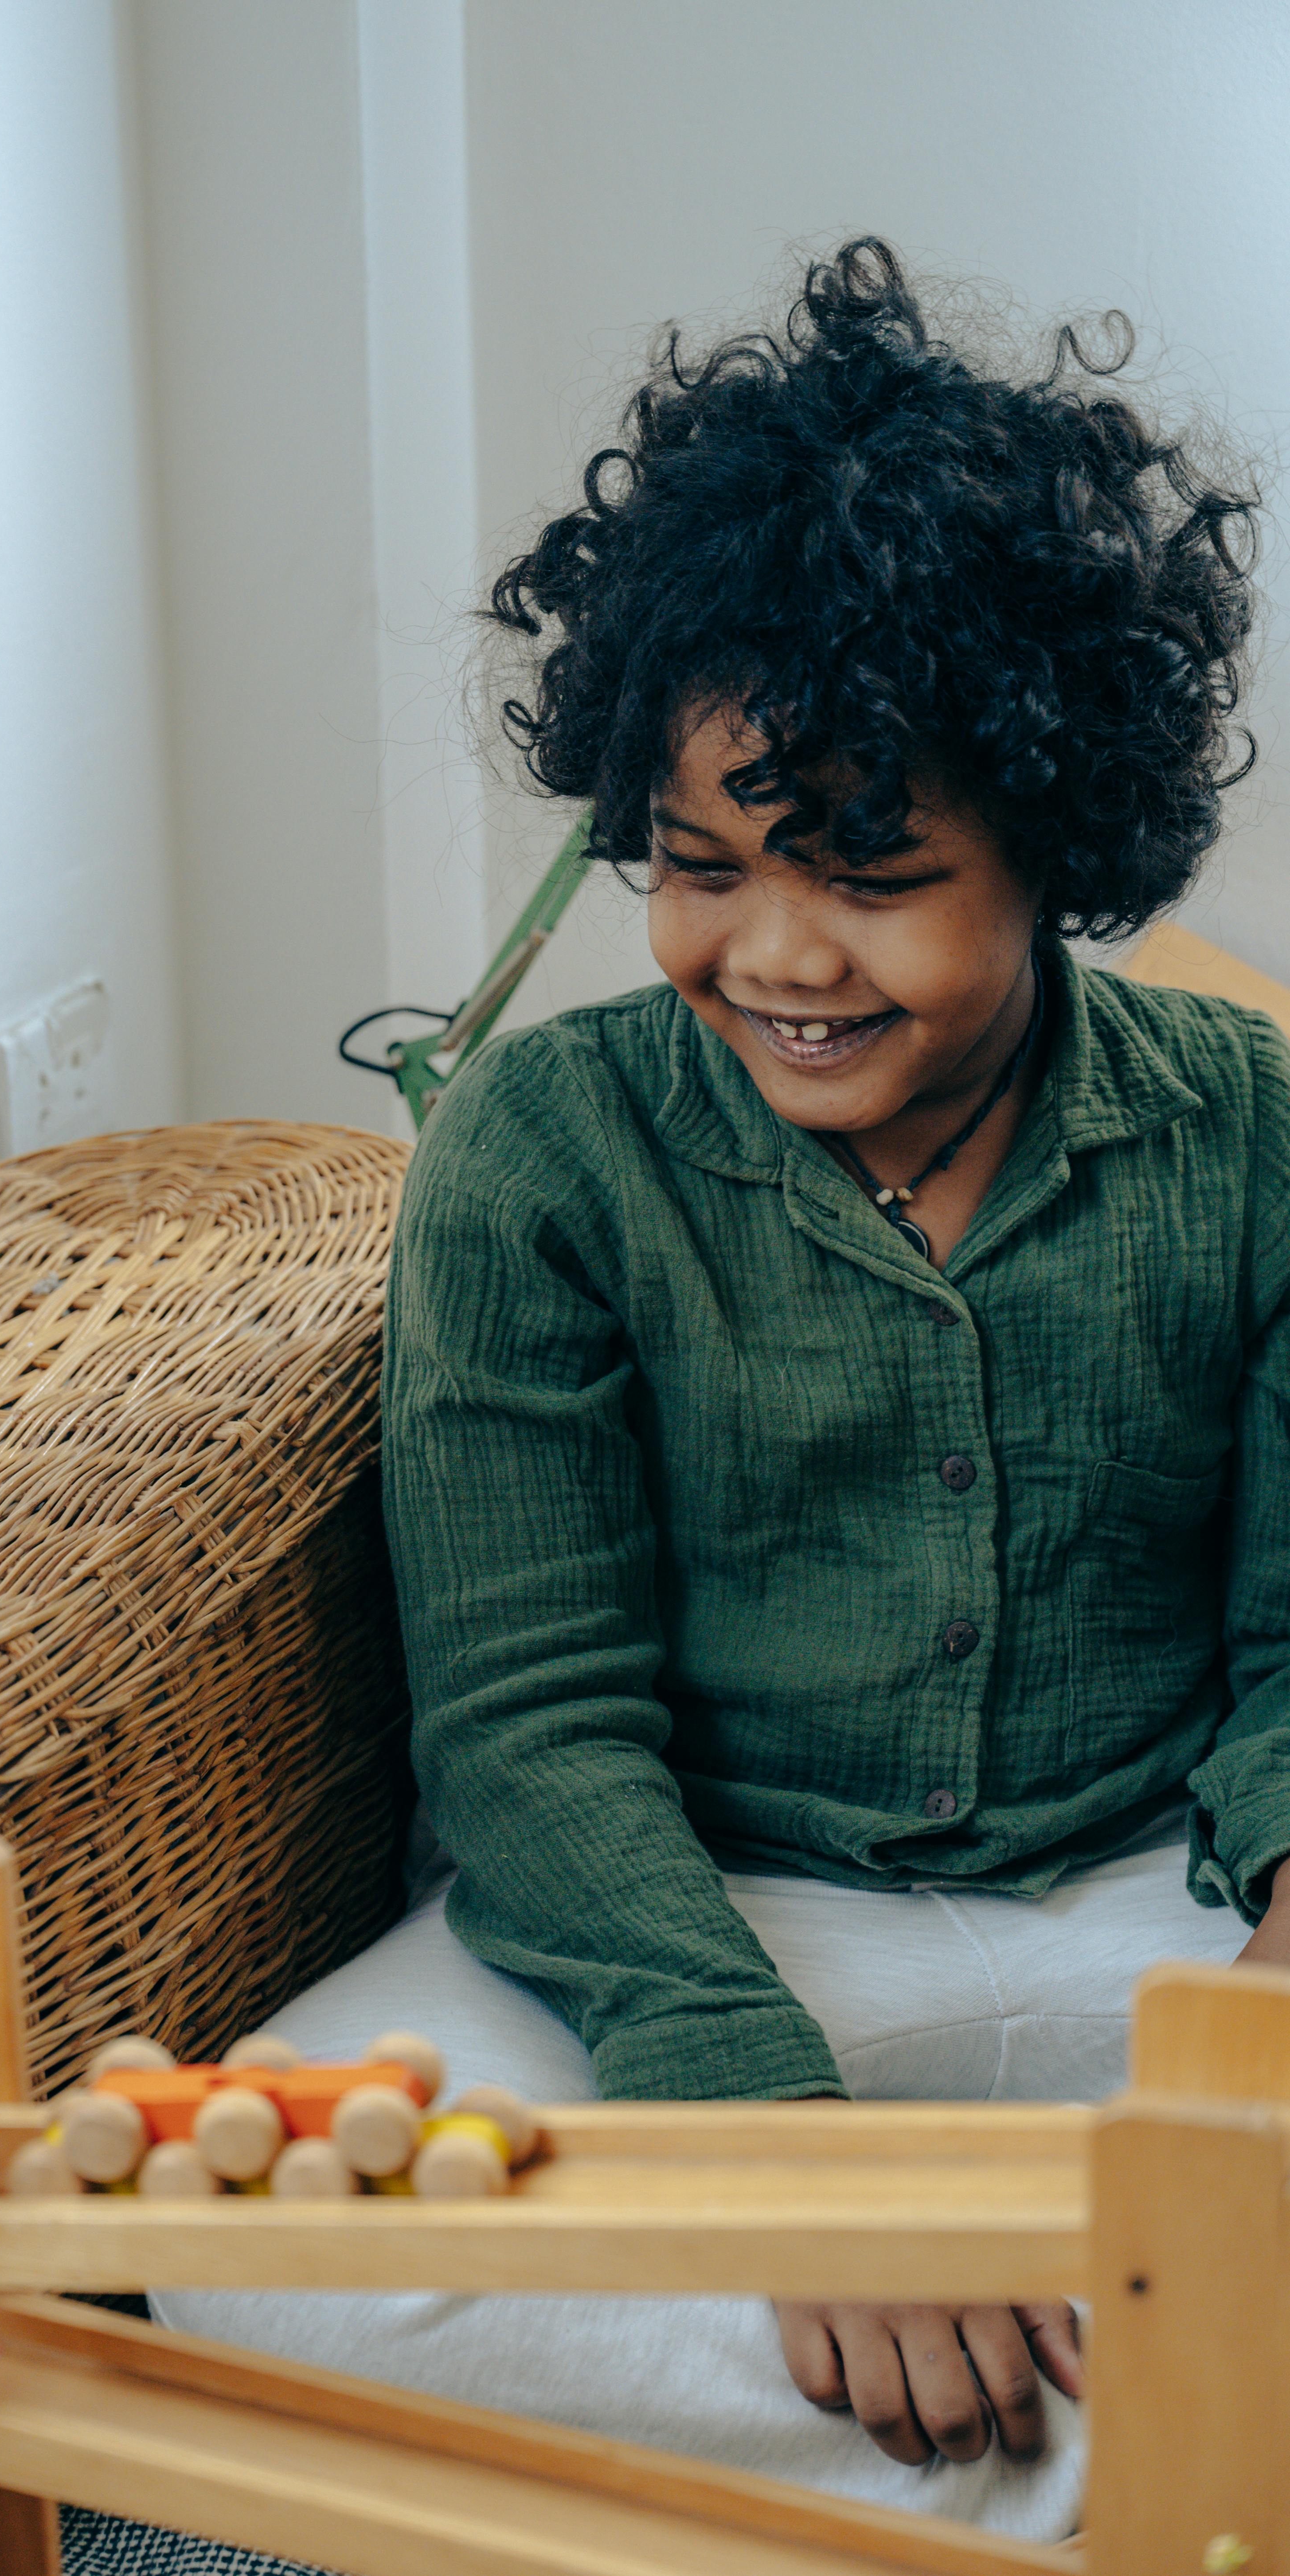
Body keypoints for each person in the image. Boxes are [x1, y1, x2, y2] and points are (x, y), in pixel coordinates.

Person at [68, 239, 1287, 2570]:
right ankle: (1163, 2465)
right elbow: (532, 1737)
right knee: (253, 2244)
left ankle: (990, 2449)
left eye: (880, 880)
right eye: (702, 870)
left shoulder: (1255, 1130)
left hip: (1161, 1920)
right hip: (705, 1932)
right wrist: (775, 2150)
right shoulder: (544, 1156)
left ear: (1058, 842)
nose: (778, 958)